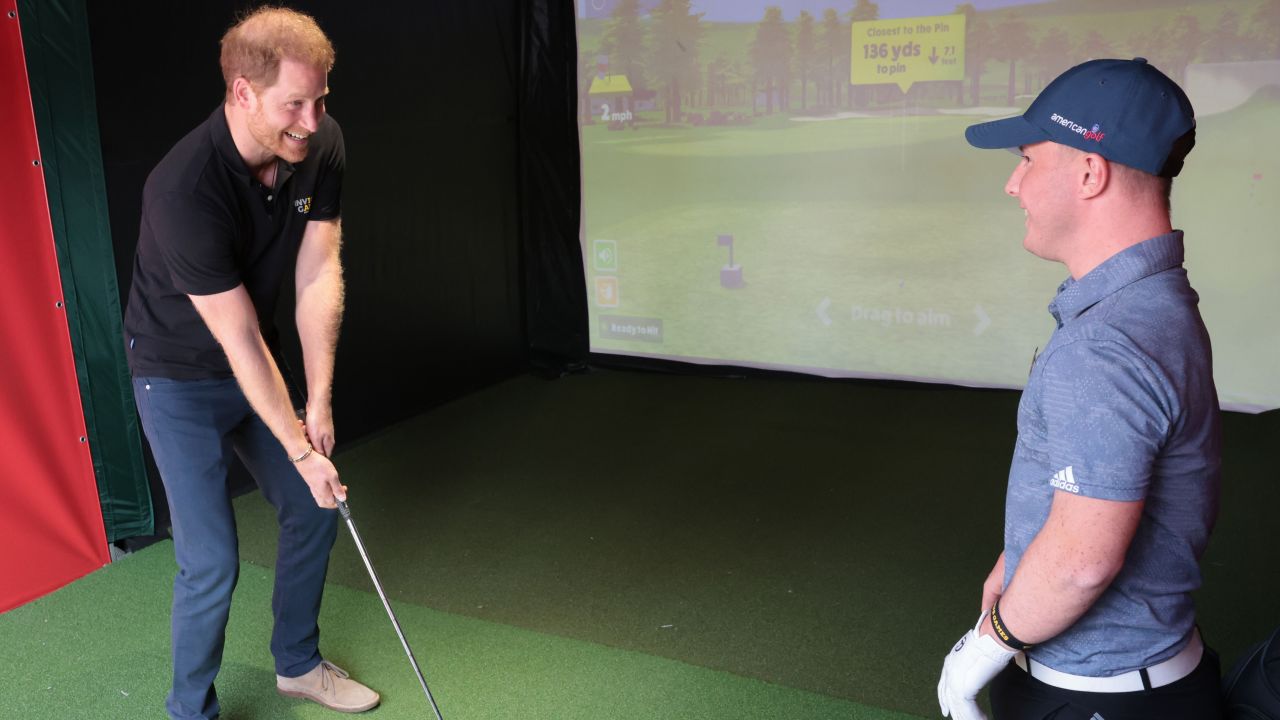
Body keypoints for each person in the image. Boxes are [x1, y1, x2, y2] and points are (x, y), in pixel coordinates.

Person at [936, 58, 1223, 720]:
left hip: (1096, 698)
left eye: (1028, 159)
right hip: (1149, 678)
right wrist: (1016, 565)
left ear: (1091, 172)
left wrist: (982, 650)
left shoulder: (1105, 344)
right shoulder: (1155, 301)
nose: (1014, 184)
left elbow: (1079, 565)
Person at [123, 7, 379, 718]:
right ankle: (189, 711)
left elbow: (317, 272)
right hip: (175, 374)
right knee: (211, 562)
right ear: (241, 92)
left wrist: (319, 400)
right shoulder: (184, 188)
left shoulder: (319, 144)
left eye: (321, 97)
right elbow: (233, 336)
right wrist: (298, 445)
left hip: (255, 361)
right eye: (294, 103)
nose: (312, 118)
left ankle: (297, 664)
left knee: (316, 505)